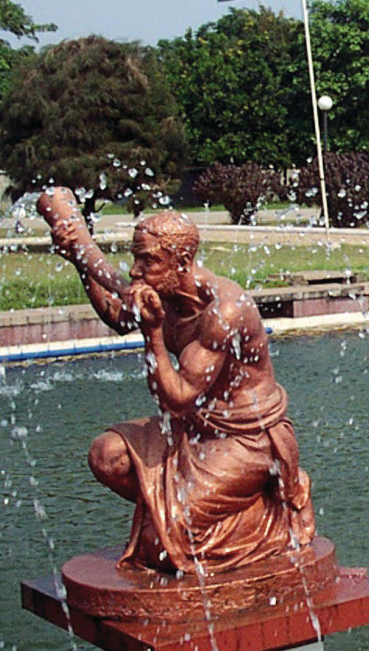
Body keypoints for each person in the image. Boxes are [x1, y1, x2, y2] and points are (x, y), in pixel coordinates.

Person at [40, 189, 314, 575]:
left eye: (148, 261)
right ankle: (179, 514)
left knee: (161, 547)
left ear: (182, 262)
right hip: (195, 429)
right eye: (136, 258)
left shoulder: (225, 311)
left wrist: (153, 333)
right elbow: (117, 314)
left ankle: (266, 514)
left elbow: (177, 400)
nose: (135, 271)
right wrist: (81, 262)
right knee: (106, 456)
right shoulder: (165, 292)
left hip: (248, 440)